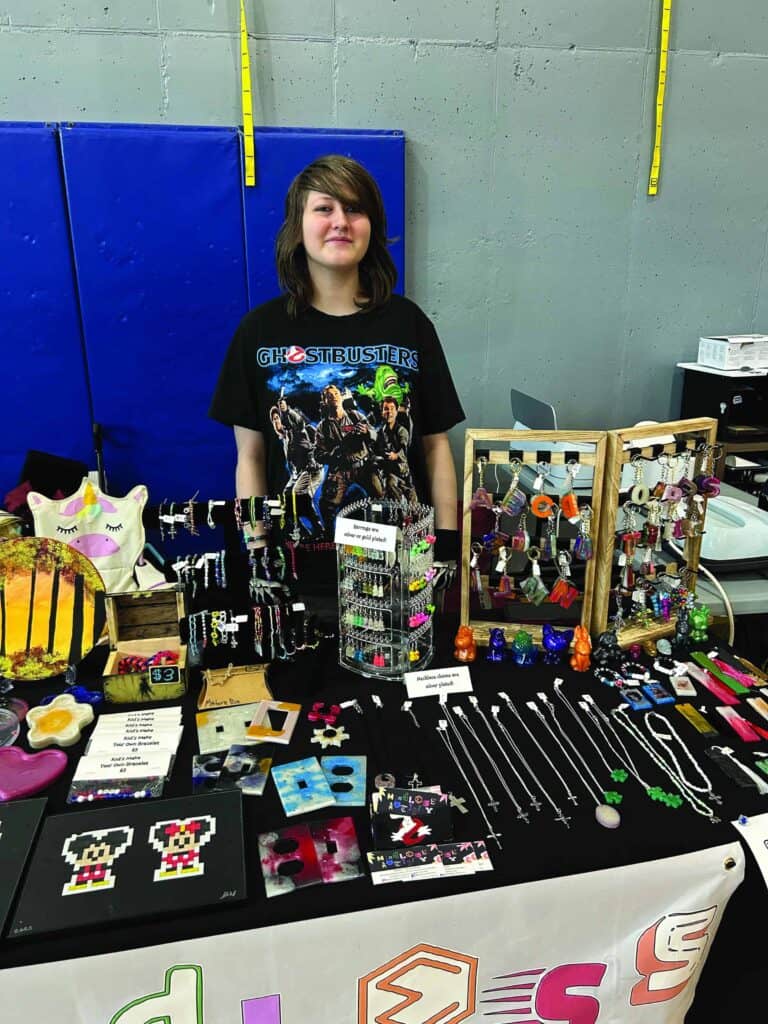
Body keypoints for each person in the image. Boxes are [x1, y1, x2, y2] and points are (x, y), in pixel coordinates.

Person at [209, 154, 464, 564]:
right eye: (324, 208)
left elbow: (436, 448)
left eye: (354, 209)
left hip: (402, 567)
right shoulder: (259, 332)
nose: (340, 221)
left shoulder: (408, 324)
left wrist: (447, 545)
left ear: (371, 227)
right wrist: (256, 547)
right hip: (300, 567)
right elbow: (251, 457)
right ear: (298, 226)